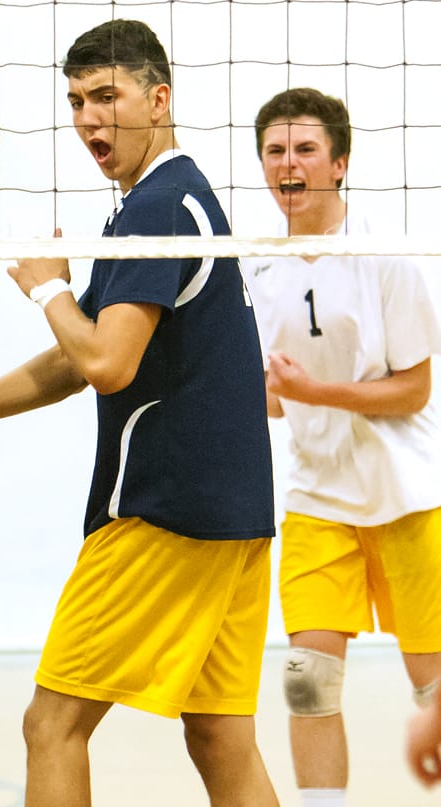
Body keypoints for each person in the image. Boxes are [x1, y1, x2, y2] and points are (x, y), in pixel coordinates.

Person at [0, 19, 279, 807]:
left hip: (165, 514)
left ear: (158, 99)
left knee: (50, 723)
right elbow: (76, 356)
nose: (88, 117)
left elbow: (103, 362)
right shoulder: (167, 202)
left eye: (106, 96)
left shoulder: (160, 204)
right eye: (76, 100)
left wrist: (46, 285)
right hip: (233, 514)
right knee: (221, 734)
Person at [245, 87, 441, 807]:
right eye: (274, 151)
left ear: (338, 163)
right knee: (304, 676)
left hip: (405, 496)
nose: (287, 164)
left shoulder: (384, 258)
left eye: (303, 149)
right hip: (315, 496)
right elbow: (272, 396)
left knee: (432, 689)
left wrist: (314, 393)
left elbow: (413, 390)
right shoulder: (254, 265)